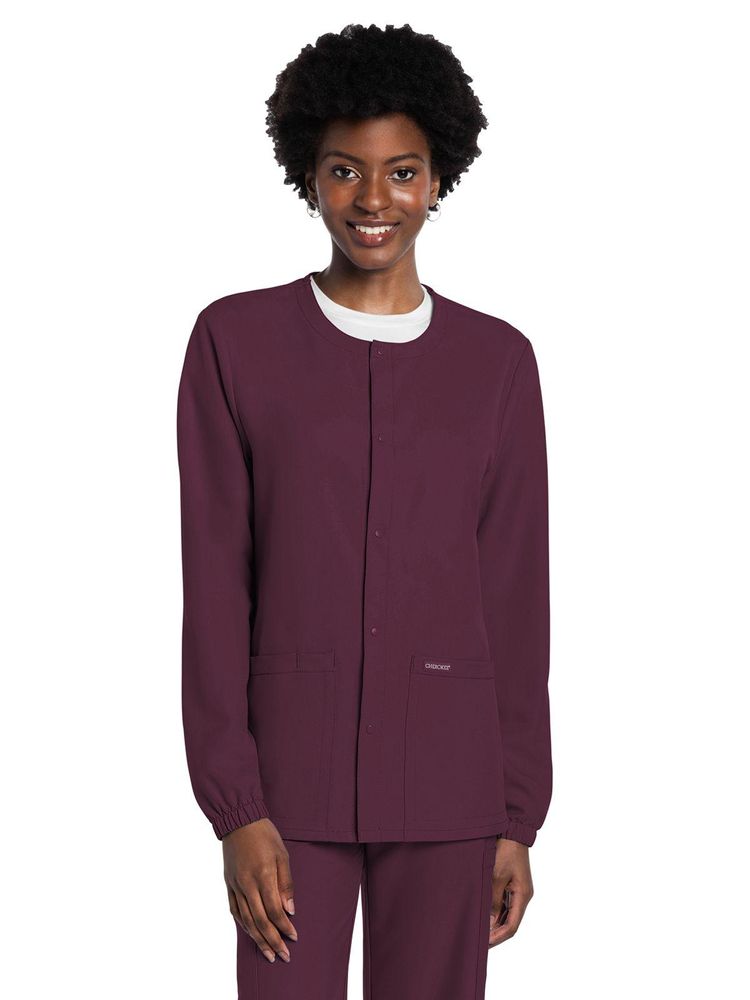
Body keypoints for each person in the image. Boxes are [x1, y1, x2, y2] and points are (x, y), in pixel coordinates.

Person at [176, 22, 552, 1000]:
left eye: (403, 172)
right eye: (346, 170)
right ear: (309, 174)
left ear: (438, 179)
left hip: (454, 783)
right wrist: (236, 807)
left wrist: (517, 814)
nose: (374, 200)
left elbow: (515, 600)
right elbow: (214, 586)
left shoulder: (499, 364)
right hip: (286, 787)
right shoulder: (233, 343)